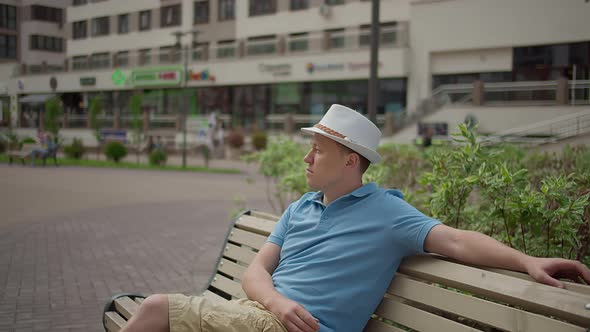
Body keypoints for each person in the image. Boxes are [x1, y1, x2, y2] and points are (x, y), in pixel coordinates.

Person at [119, 104, 590, 332]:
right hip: (261, 317)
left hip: (294, 331)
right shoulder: (300, 208)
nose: (306, 158)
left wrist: (527, 260)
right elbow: (254, 270)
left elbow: (458, 242)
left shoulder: (386, 213)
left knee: (156, 309)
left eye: (317, 149)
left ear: (349, 161)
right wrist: (276, 301)